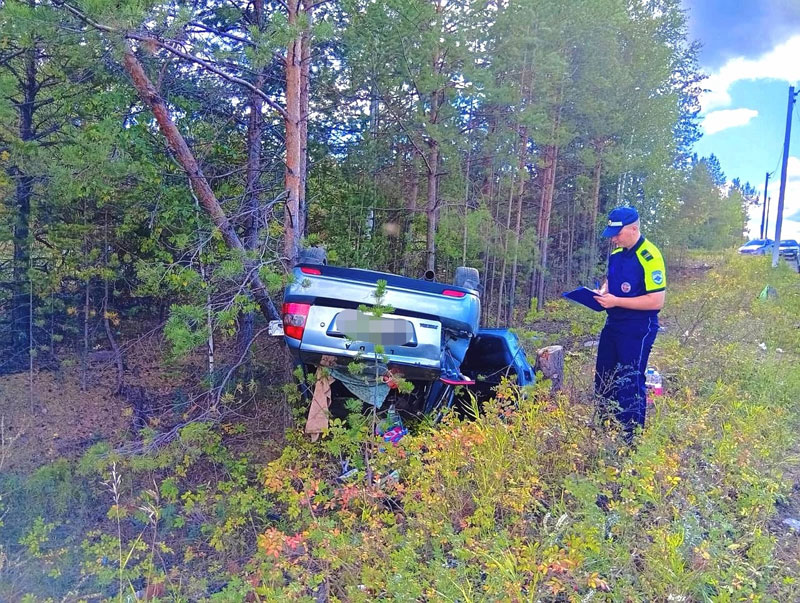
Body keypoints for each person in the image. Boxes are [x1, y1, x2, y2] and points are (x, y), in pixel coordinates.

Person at [593, 206, 666, 441]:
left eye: (617, 233)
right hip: (613, 323)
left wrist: (617, 301)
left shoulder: (650, 255)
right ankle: (605, 429)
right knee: (604, 377)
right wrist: (604, 291)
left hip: (638, 328)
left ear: (633, 228)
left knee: (629, 380)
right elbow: (611, 280)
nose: (613, 239)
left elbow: (656, 301)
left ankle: (630, 439)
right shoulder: (616, 254)